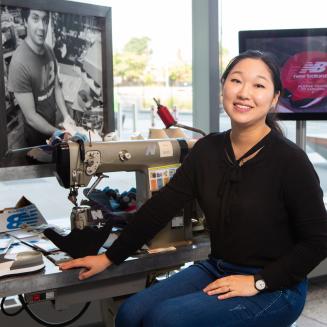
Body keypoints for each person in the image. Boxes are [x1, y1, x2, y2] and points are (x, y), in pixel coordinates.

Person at [59, 50, 327, 327]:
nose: (245, 92)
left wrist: (258, 282)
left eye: (258, 85)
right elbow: (161, 207)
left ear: (273, 99)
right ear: (223, 86)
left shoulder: (290, 161)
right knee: (131, 313)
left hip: (277, 286)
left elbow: (318, 242)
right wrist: (109, 257)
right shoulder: (208, 150)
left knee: (165, 320)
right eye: (236, 81)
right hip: (218, 267)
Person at [8, 8, 74, 147]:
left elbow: (55, 87)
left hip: (52, 121)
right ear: (26, 21)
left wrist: (66, 115)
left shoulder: (49, 50)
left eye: (45, 20)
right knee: (38, 164)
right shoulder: (19, 63)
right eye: (35, 18)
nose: (42, 27)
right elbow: (31, 117)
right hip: (35, 133)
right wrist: (59, 133)